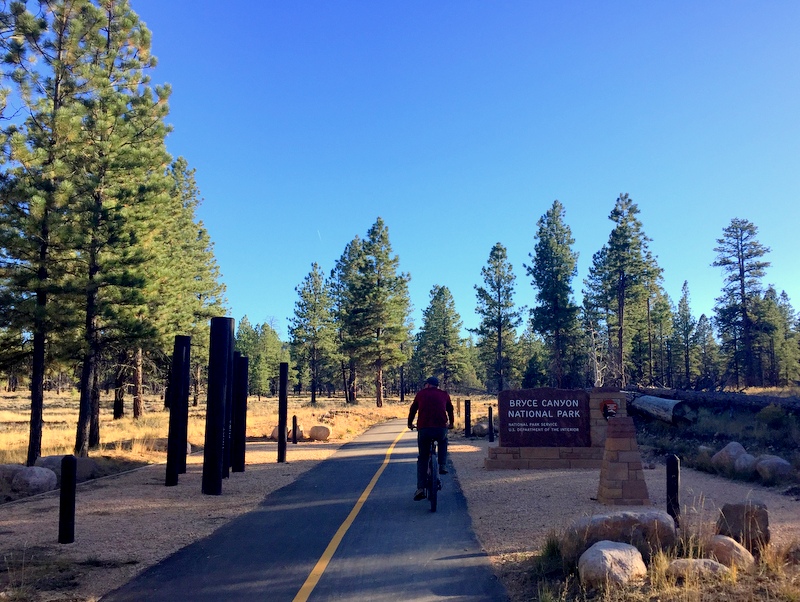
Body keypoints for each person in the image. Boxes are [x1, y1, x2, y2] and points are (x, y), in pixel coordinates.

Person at [407, 376, 455, 501]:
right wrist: (451, 423)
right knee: (443, 440)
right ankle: (442, 464)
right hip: (440, 429)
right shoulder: (444, 394)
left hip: (424, 429)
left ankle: (421, 488)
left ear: (428, 385)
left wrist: (410, 423)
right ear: (437, 385)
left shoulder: (421, 394)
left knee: (423, 457)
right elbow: (450, 409)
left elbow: (413, 410)